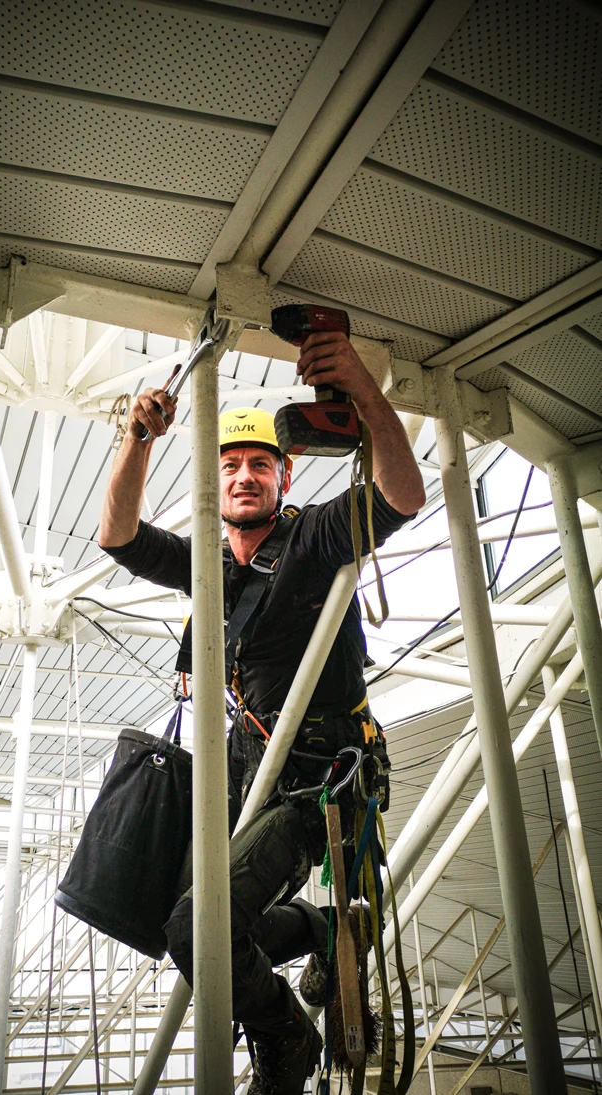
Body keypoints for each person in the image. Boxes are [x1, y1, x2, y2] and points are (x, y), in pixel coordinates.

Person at [99, 329, 425, 1093]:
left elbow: (401, 496)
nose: (244, 478)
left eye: (259, 466)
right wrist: (138, 441)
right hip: (251, 770)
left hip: (320, 776)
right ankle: (318, 929)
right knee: (174, 917)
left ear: (283, 476)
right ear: (213, 484)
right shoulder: (206, 565)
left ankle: (285, 1038)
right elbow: (116, 534)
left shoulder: (312, 538)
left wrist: (365, 393)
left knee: (194, 925)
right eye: (231, 467)